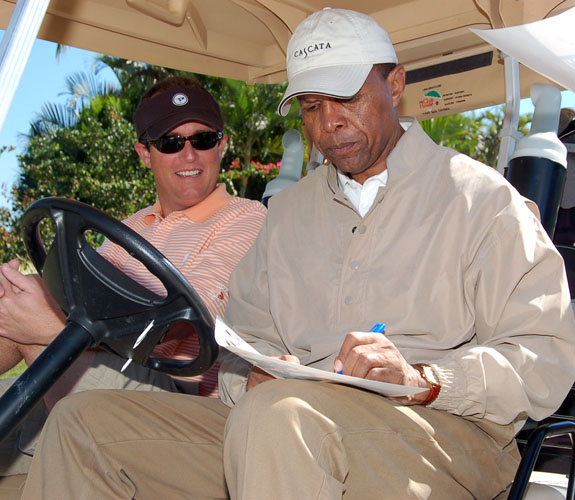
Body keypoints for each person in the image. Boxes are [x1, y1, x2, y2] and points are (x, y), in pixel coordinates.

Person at [18, 8, 575, 499]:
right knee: (83, 421)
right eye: (311, 105)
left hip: (443, 434)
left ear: (395, 83)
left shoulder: (480, 199)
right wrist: (250, 377)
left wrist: (426, 377)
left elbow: (545, 359)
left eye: (346, 97)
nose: (328, 122)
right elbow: (241, 344)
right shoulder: (285, 217)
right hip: (282, 426)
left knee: (277, 419)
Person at [0, 76, 266, 494]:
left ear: (222, 144)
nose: (190, 154)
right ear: (145, 152)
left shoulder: (246, 219)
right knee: (22, 297)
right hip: (110, 364)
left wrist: (53, 332)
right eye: (170, 143)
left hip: (180, 391)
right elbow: (77, 297)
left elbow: (191, 321)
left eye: (203, 138)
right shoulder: (131, 228)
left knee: (35, 313)